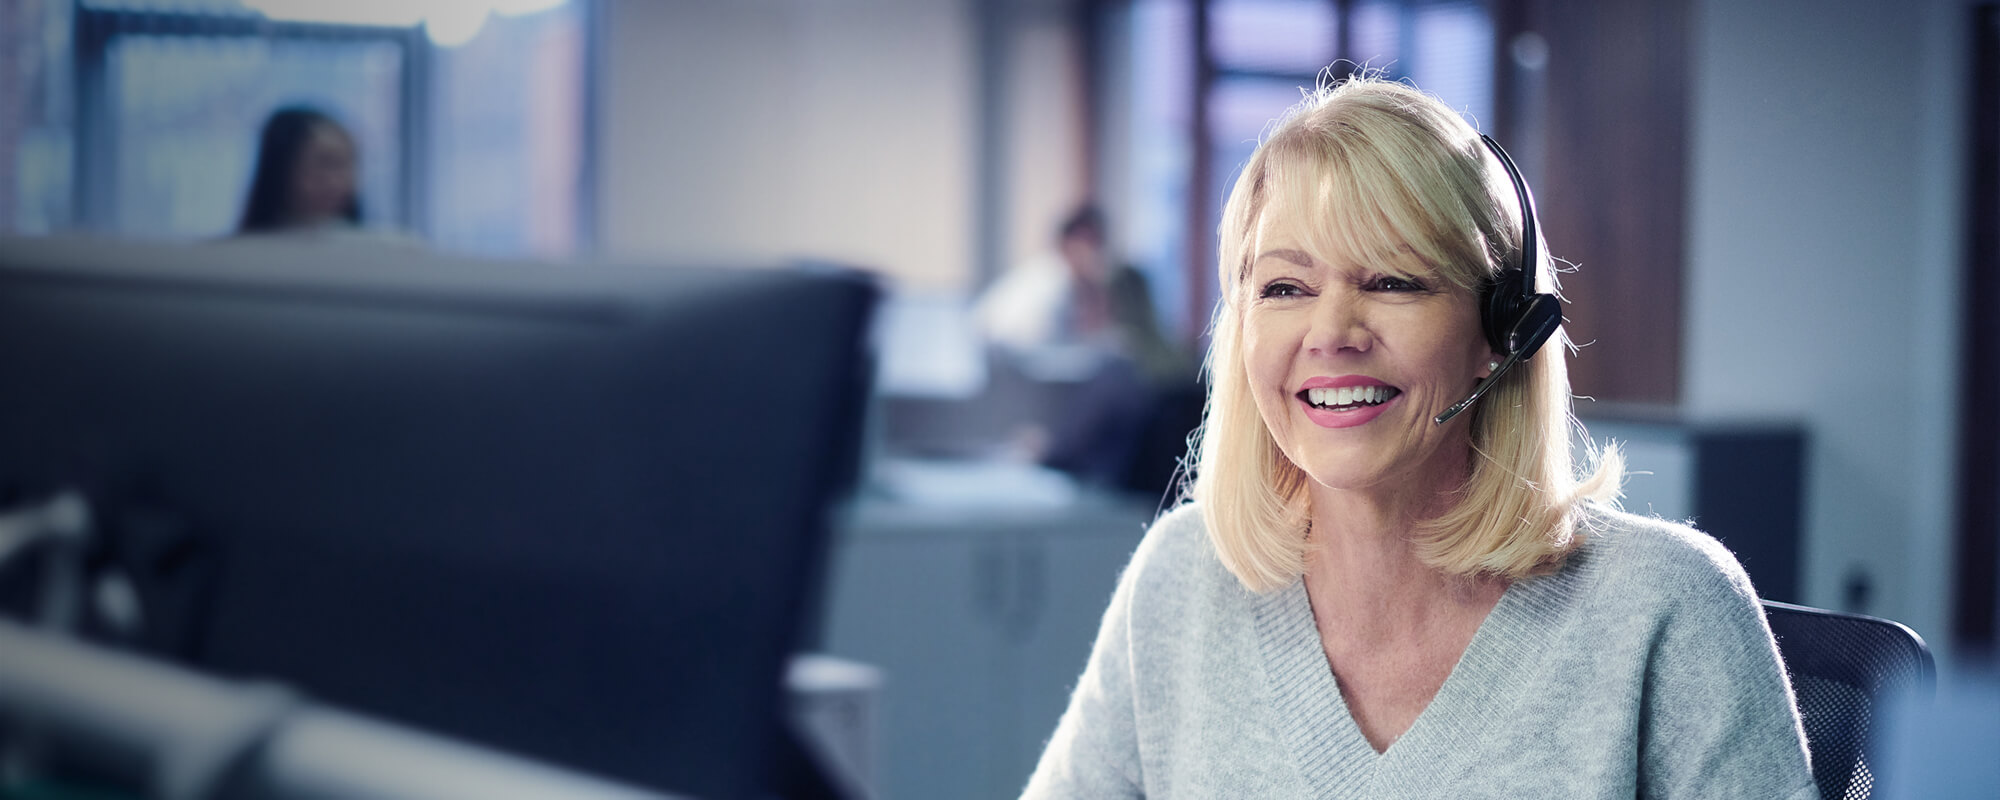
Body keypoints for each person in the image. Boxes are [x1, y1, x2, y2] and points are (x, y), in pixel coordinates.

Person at [1021, 74, 1816, 798]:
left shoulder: (1665, 609)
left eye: (1393, 282)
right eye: (1286, 287)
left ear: (1503, 328)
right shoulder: (1183, 580)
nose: (1330, 332)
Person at [236, 106, 365, 235]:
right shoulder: (240, 250)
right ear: (281, 166)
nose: (339, 181)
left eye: (347, 164)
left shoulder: (370, 244)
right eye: (325, 163)